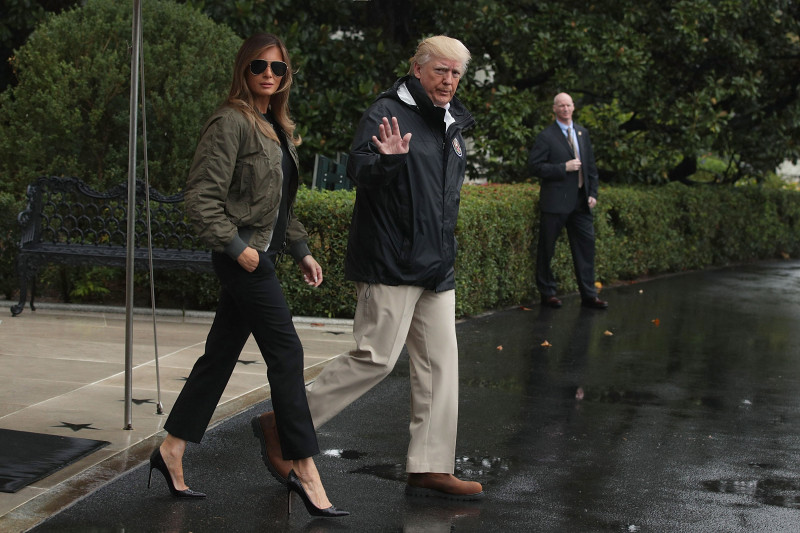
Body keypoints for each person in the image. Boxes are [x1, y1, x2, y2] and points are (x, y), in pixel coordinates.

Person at [252, 35, 484, 501]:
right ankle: (283, 425)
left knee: (440, 366)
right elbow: (361, 172)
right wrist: (390, 162)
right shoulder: (386, 111)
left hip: (436, 267)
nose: (449, 81)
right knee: (375, 359)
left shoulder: (451, 121)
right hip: (391, 261)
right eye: (441, 70)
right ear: (418, 69)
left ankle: (430, 467)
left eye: (456, 73)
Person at [147, 33, 348, 518]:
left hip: (263, 255)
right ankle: (303, 466)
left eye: (278, 69)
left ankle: (171, 448)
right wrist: (239, 251)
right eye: (259, 65)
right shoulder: (230, 122)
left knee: (219, 357)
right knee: (287, 351)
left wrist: (300, 250)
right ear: (244, 69)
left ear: (286, 77)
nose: (268, 74)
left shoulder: (274, 127)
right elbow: (200, 198)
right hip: (244, 258)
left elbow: (279, 205)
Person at [528, 92, 608, 310]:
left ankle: (589, 295)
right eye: (561, 105)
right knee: (547, 250)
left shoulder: (582, 133)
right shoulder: (546, 136)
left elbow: (591, 167)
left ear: (573, 107)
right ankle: (548, 293)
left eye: (568, 105)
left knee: (586, 250)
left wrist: (593, 194)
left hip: (581, 203)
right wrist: (563, 168)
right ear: (554, 109)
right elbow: (535, 166)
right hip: (555, 203)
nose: (565, 109)